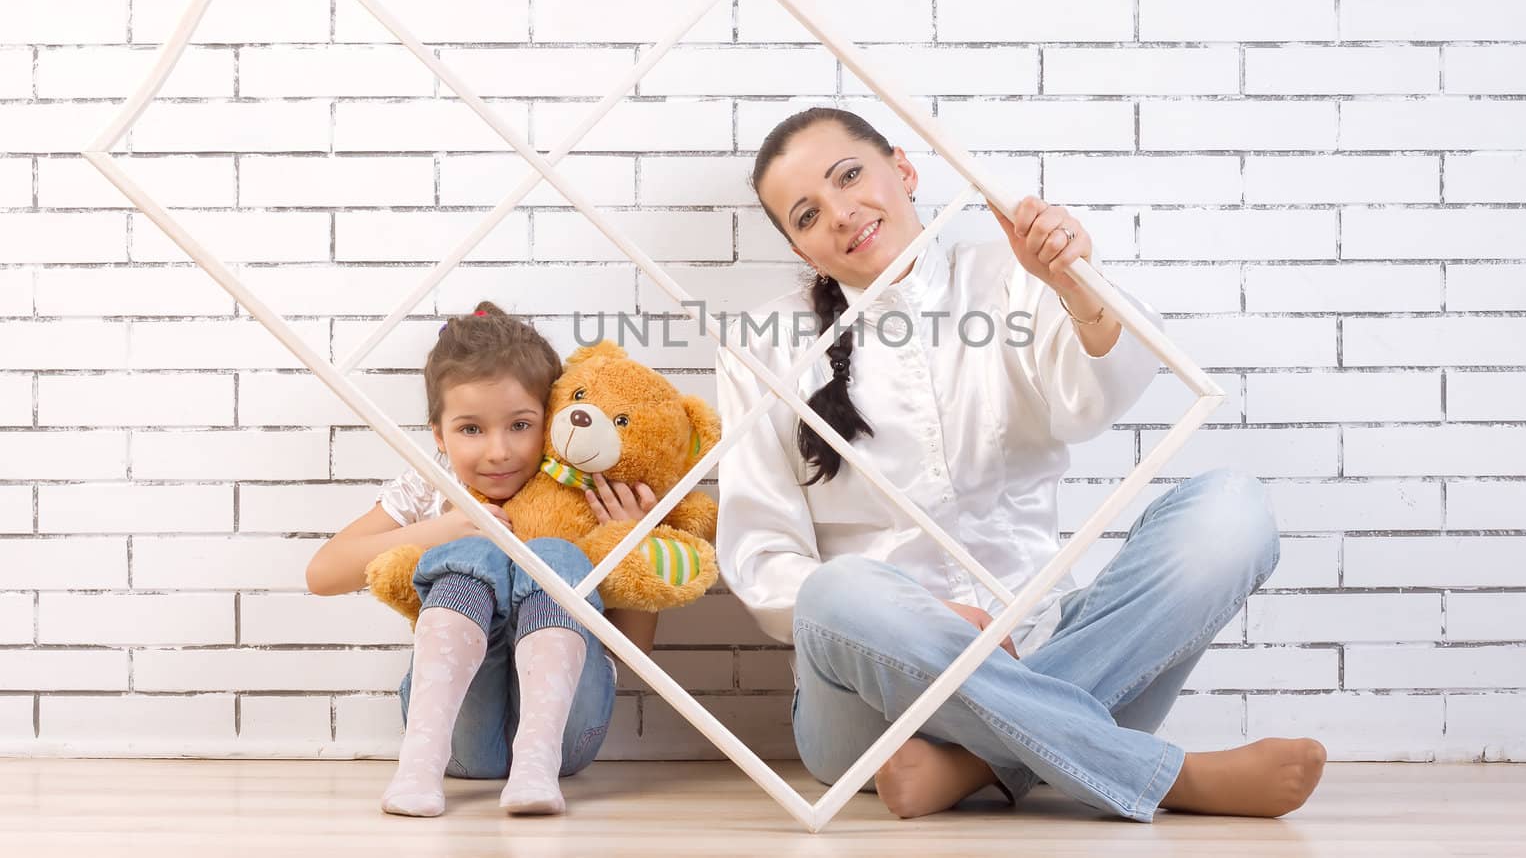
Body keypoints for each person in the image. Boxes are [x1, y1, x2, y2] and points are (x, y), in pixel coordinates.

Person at [715, 107, 1326, 821]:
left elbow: (1090, 402)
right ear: (803, 248)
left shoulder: (1010, 276)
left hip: (1043, 642)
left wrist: (1073, 282)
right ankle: (1167, 776)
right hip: (870, 705)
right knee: (835, 590)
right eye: (808, 215)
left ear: (903, 168)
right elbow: (762, 557)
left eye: (850, 175)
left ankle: (974, 763)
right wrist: (935, 618)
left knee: (1232, 512)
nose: (842, 214)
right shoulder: (760, 346)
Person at [305, 302, 660, 817]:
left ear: (552, 421)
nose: (498, 451)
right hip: (457, 744)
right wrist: (443, 529)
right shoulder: (431, 488)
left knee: (553, 554)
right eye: (471, 429)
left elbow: (631, 655)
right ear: (439, 435)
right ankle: (417, 768)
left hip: (567, 739)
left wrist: (631, 546)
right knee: (469, 552)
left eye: (520, 425)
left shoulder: (586, 489)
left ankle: (533, 765)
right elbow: (322, 573)